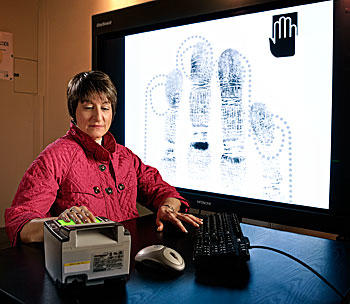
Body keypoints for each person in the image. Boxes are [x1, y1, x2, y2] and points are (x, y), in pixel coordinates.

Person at [5, 71, 202, 246]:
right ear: (73, 112)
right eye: (89, 107)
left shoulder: (125, 157)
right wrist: (61, 223)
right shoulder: (54, 157)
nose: (98, 117)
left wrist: (168, 208)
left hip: (128, 259)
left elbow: (164, 191)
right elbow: (21, 225)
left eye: (105, 108)